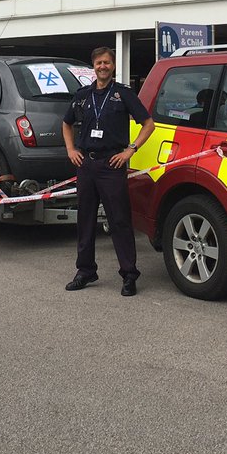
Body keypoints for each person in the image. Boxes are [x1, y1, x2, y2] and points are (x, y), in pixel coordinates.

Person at [62, 46, 155, 296]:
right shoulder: (83, 95)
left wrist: (130, 150)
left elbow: (148, 124)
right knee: (85, 220)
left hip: (111, 165)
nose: (102, 66)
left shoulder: (123, 94)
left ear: (113, 66)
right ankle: (85, 271)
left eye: (107, 63)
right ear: (93, 66)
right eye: (98, 63)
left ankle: (129, 274)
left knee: (120, 221)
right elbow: (66, 123)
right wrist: (71, 149)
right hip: (86, 165)